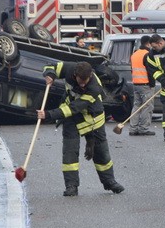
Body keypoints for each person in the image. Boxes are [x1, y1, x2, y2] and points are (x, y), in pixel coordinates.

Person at [39, 60, 124, 197]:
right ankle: (71, 186)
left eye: (85, 81)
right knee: (70, 152)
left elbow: (75, 107)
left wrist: (49, 114)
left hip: (92, 119)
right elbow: (50, 65)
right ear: (75, 74)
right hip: (71, 119)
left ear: (91, 75)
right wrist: (50, 74)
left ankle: (109, 182)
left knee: (101, 152)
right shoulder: (70, 68)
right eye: (80, 81)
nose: (82, 84)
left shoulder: (94, 88)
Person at [128, 35, 156, 136]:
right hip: (145, 84)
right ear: (148, 43)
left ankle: (133, 128)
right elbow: (150, 71)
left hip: (136, 83)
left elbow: (132, 69)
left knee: (137, 106)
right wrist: (152, 84)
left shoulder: (135, 54)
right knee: (147, 107)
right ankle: (144, 128)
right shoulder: (148, 54)